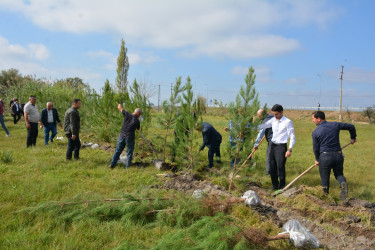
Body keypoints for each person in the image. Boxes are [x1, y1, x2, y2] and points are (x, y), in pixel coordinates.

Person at [311, 111, 357, 201]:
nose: (312, 120)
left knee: (325, 179)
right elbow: (351, 126)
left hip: (325, 157)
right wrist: (353, 137)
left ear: (319, 119)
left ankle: (325, 200)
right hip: (338, 155)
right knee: (339, 174)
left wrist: (317, 159)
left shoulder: (315, 131)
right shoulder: (335, 124)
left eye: (313, 118)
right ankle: (342, 183)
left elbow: (316, 148)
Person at [258, 104, 296, 190]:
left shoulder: (287, 122)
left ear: (281, 112)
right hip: (273, 146)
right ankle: (275, 186)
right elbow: (263, 126)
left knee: (280, 167)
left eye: (276, 114)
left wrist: (290, 149)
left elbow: (292, 136)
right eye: (274, 114)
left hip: (281, 147)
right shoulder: (273, 120)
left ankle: (282, 187)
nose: (275, 116)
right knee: (272, 167)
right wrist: (248, 127)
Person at [109, 104, 142, 169]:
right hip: (130, 137)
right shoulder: (137, 121)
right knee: (129, 153)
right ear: (138, 113)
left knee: (118, 151)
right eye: (140, 114)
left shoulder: (127, 114)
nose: (140, 115)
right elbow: (138, 129)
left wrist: (119, 105)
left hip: (122, 136)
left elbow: (120, 108)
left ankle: (112, 165)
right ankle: (128, 167)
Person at [253, 109, 274, 175]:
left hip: (272, 141)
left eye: (259, 116)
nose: (259, 118)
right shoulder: (274, 117)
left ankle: (268, 173)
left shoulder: (265, 121)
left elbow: (260, 134)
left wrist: (256, 144)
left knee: (269, 157)